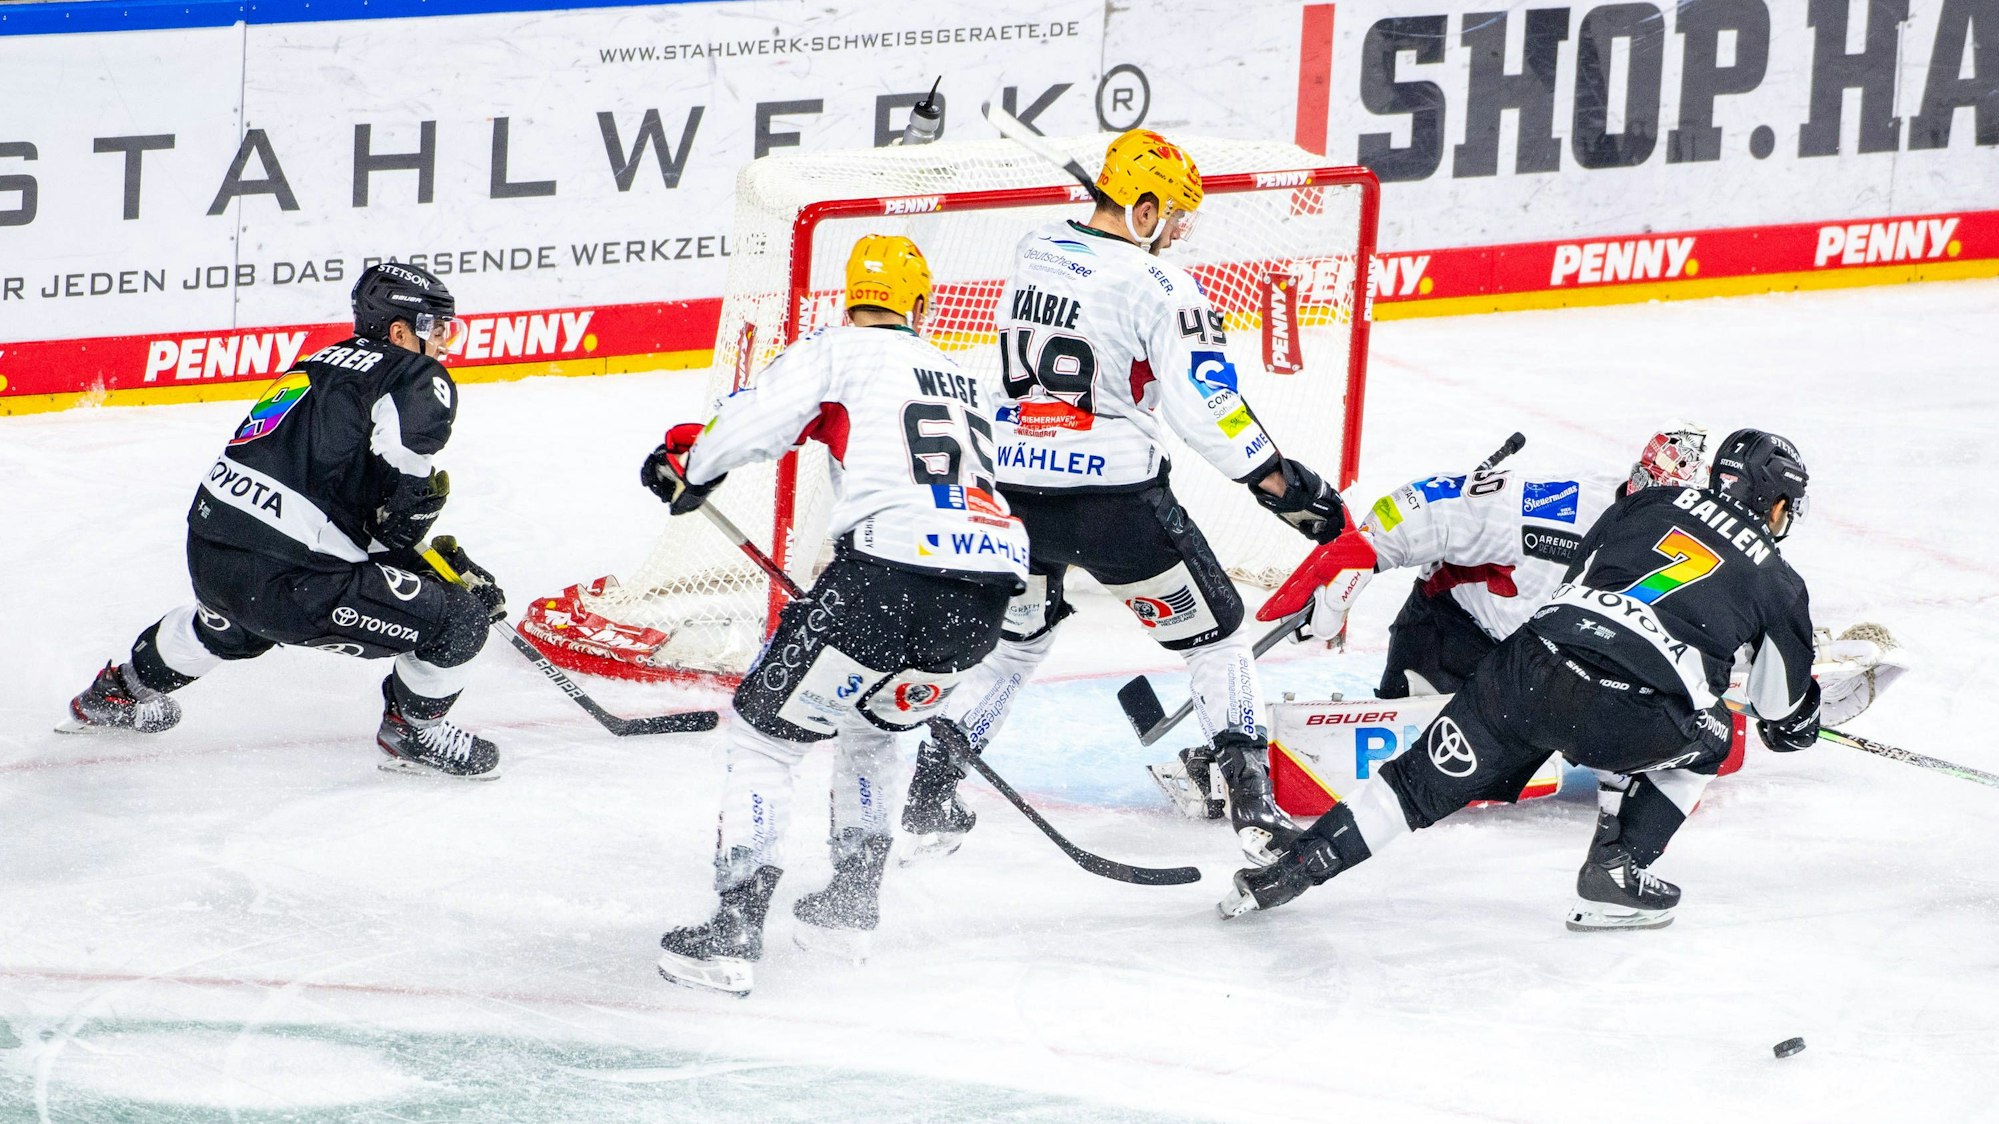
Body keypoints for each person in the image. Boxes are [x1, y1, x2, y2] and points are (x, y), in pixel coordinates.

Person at [899, 128, 1346, 867]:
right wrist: (1276, 480)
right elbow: (1205, 402)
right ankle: (1254, 810)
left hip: (1010, 496)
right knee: (1218, 639)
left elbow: (1084, 275)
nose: (1175, 233)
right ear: (1141, 208)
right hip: (1111, 504)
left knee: (1013, 648)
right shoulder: (1161, 287)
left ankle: (931, 788)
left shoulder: (1035, 246)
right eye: (1170, 215)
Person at [1221, 428, 1819, 931]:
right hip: (1556, 680)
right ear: (1774, 505)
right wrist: (1364, 546)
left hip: (1524, 669)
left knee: (1408, 788)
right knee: (1707, 738)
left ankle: (1286, 873)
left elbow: (1580, 588)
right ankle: (1616, 868)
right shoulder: (1779, 580)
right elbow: (1778, 714)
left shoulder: (1641, 506)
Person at [642, 235, 1027, 996]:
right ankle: (847, 911)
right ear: (920, 306)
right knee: (875, 730)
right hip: (982, 598)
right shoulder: (958, 375)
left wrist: (690, 463)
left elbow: (749, 425)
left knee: (764, 739)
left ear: (849, 300)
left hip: (888, 577)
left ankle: (731, 931)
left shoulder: (838, 348)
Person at [59, 263, 507, 779]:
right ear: (401, 331)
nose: (445, 341)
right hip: (291, 582)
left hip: (212, 550)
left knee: (231, 628)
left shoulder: (316, 363)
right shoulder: (414, 374)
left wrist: (413, 558)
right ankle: (413, 732)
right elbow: (405, 500)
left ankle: (117, 693)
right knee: (459, 620)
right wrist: (421, 563)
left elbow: (323, 484)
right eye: (435, 326)